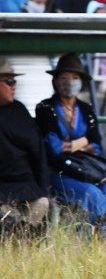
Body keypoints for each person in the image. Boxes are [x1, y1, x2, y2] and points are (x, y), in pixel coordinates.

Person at [35, 54, 106, 240]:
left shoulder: (86, 109)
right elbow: (53, 148)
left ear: (81, 81)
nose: (70, 82)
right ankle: (104, 239)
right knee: (92, 193)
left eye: (75, 78)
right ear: (55, 81)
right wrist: (84, 142)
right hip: (60, 173)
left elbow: (97, 147)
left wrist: (69, 146)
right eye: (64, 77)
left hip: (88, 172)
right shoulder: (45, 108)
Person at [0, 58, 49, 239]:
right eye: (9, 82)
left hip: (26, 186)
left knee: (41, 204)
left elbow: (38, 153)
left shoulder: (19, 111)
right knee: (7, 215)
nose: (14, 86)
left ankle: (24, 244)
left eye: (15, 82)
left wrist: (42, 188)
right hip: (2, 188)